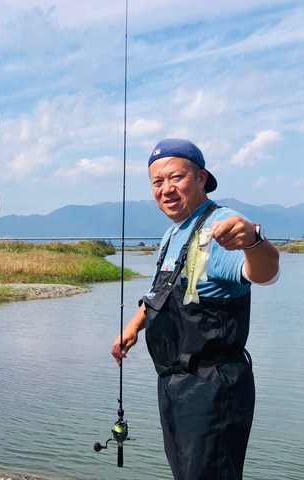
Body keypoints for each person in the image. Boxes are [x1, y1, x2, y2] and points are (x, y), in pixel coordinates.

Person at [112, 138, 280, 480]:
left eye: (176, 178)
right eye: (157, 182)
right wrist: (133, 326)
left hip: (213, 387)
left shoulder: (223, 225)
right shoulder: (171, 234)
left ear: (201, 178)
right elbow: (161, 294)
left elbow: (265, 274)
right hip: (175, 384)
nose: (166, 189)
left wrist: (254, 241)